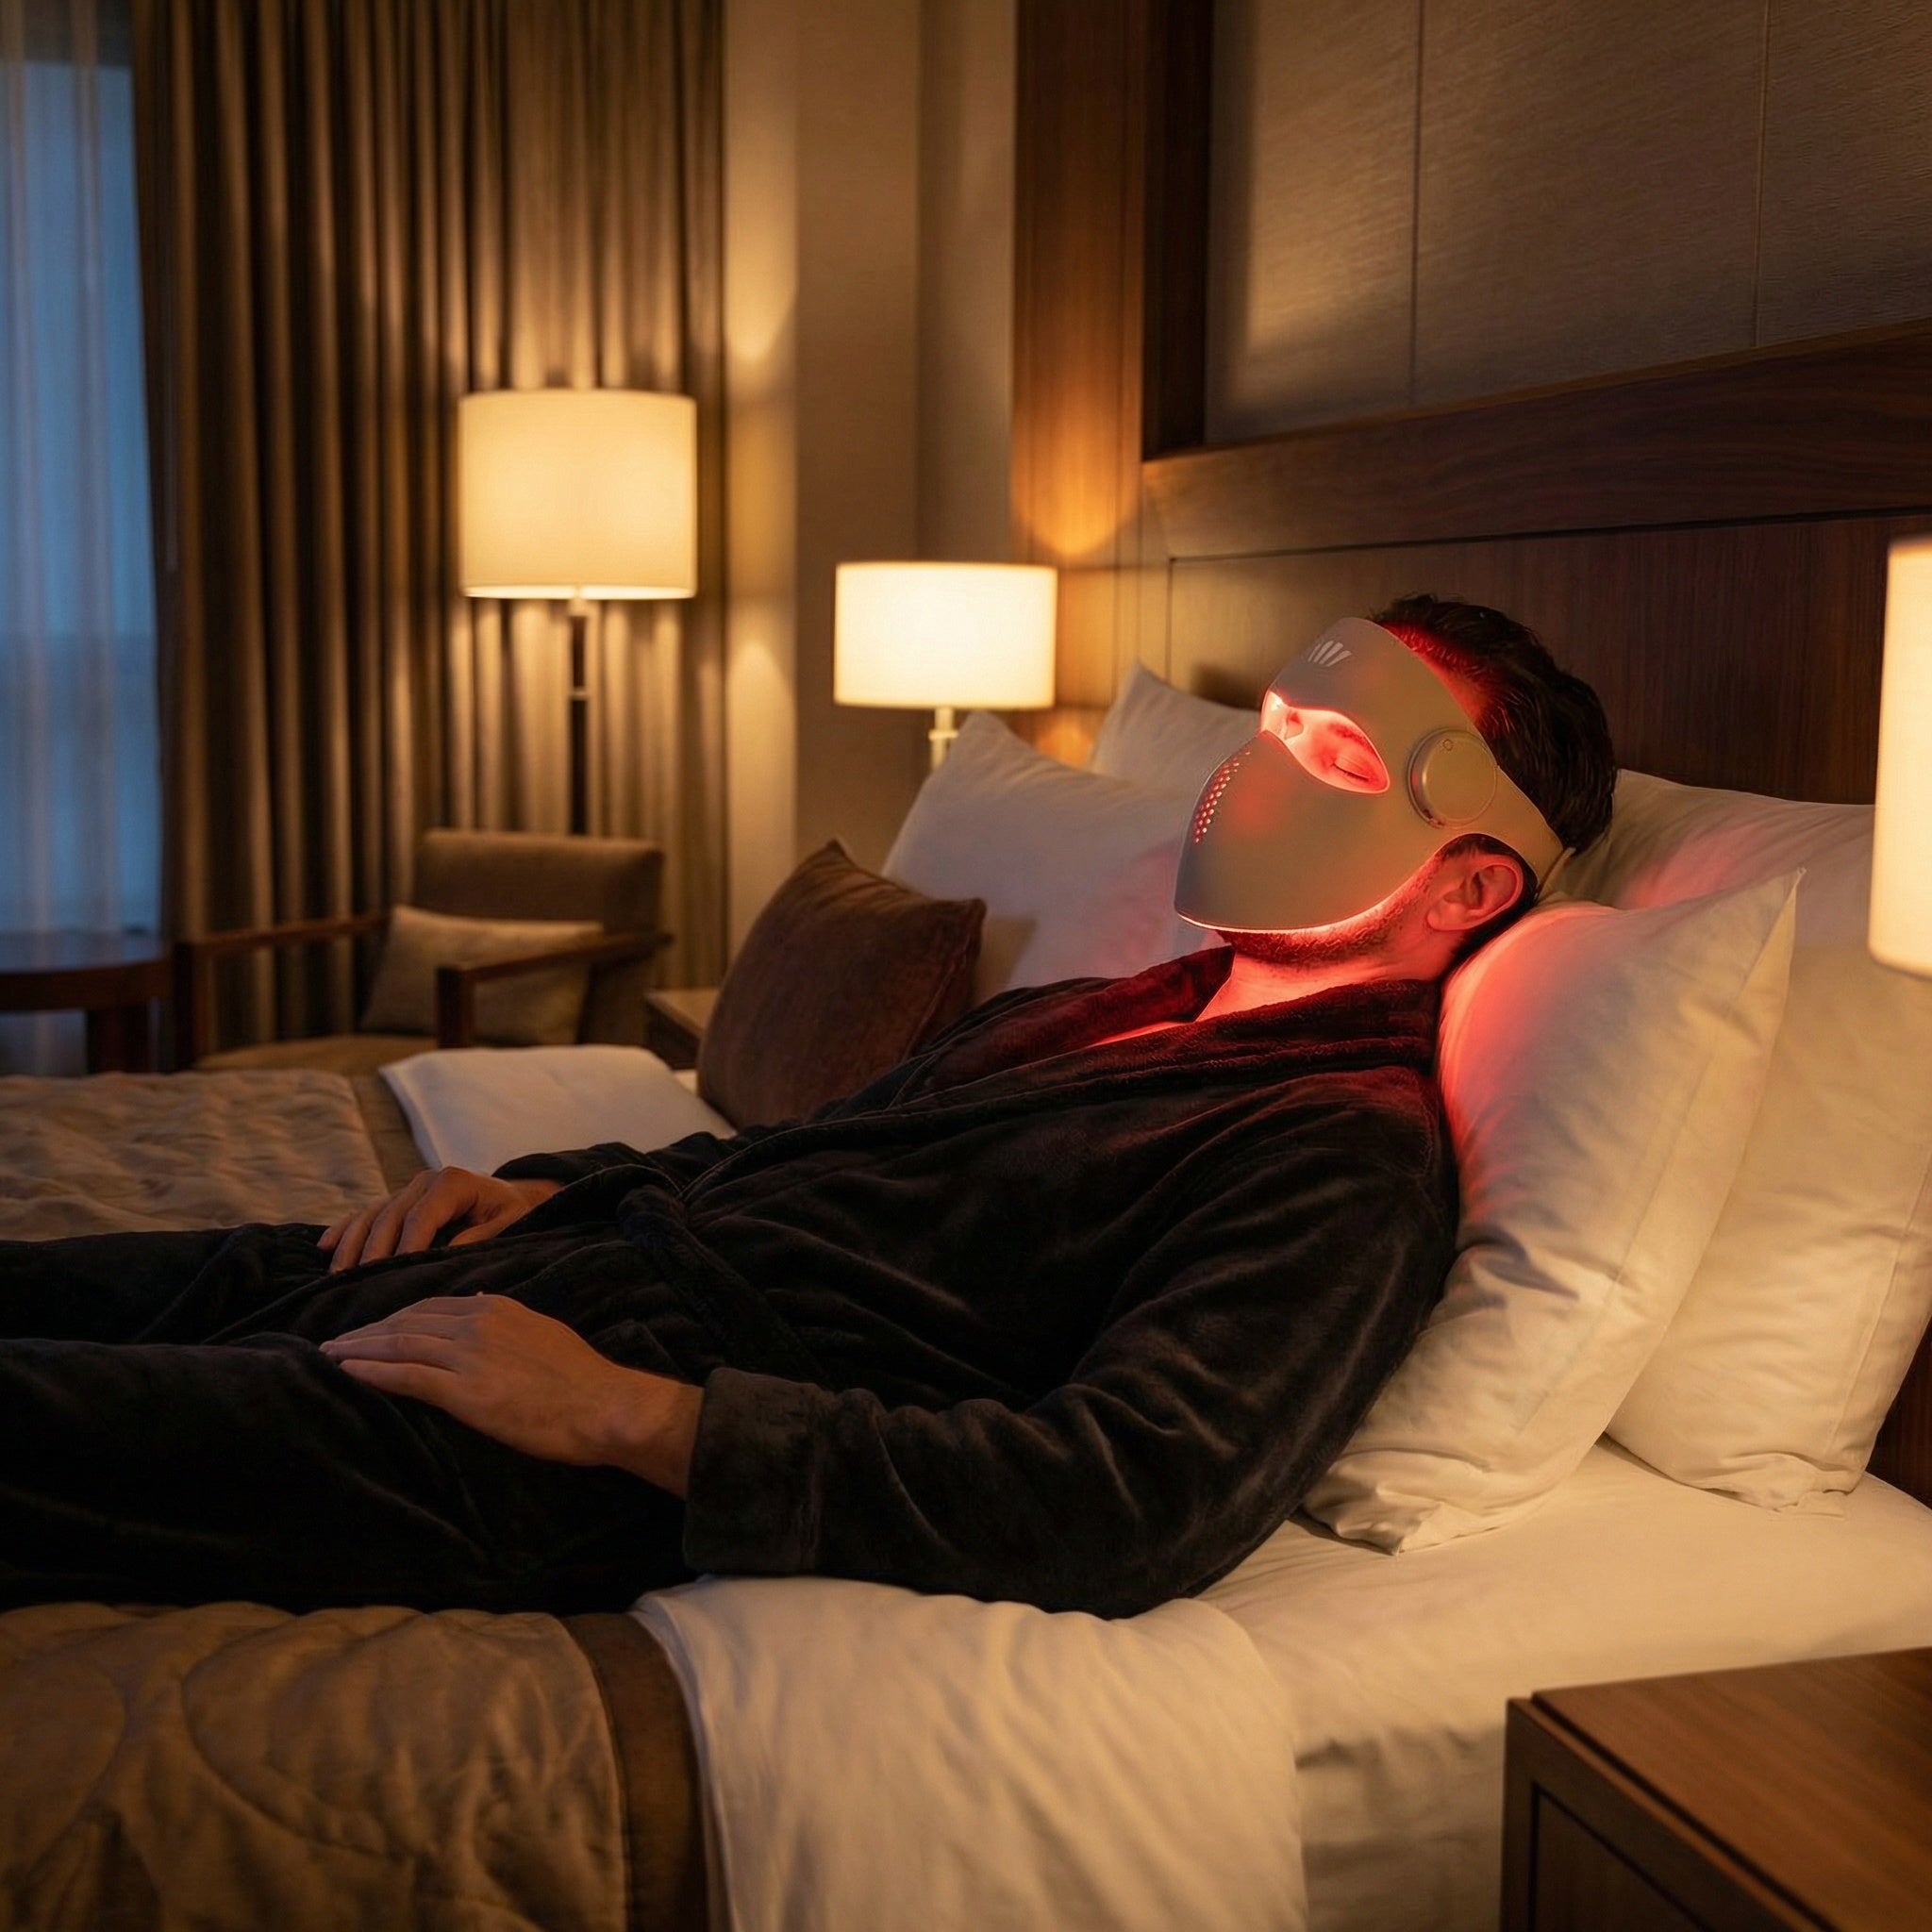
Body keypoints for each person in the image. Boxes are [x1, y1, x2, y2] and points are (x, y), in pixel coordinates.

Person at [0, 595, 1614, 1620]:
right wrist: (550, 1193)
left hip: (567, 1439)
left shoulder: (1339, 1150)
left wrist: (635, 1417)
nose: (1254, 778)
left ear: (1470, 875)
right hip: (536, 1279)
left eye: (1330, 758)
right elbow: (790, 1153)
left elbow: (1128, 1501)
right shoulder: (1112, 1007)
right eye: (1267, 730)